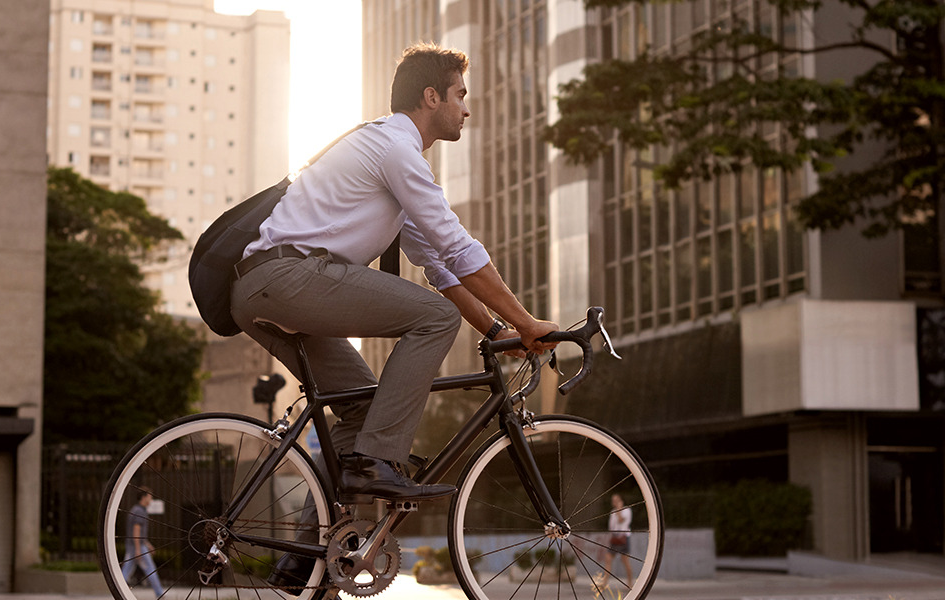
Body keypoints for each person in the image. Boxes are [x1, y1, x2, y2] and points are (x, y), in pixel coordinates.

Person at [234, 43, 558, 591]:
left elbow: (442, 268)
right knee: (434, 320)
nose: (467, 108)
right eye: (460, 95)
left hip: (266, 290)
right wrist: (528, 323)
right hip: (286, 278)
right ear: (431, 97)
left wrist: (498, 331)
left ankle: (307, 559)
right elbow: (459, 247)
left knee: (363, 410)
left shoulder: (389, 159)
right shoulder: (395, 148)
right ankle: (377, 462)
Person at [121, 491, 165, 597]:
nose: (151, 499)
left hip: (134, 545)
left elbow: (138, 532)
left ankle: (119, 587)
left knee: (127, 569)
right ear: (143, 497)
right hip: (137, 546)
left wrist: (148, 544)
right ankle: (159, 593)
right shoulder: (140, 511)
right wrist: (138, 549)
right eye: (150, 497)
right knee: (150, 568)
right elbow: (136, 530)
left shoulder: (136, 510)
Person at [601, 493, 634, 582]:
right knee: (608, 558)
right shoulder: (612, 512)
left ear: (620, 501)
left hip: (624, 537)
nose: (614, 502)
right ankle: (604, 582)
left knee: (625, 560)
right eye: (613, 501)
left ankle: (630, 582)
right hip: (615, 538)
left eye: (616, 500)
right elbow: (611, 527)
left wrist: (619, 510)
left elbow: (621, 520)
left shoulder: (626, 510)